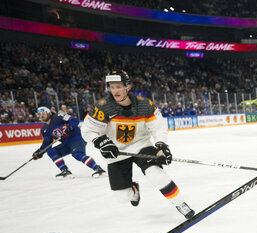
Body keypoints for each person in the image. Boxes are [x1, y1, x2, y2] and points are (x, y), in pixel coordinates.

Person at [80, 70, 195, 219]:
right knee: (122, 197)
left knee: (156, 175)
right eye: (112, 87)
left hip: (141, 145)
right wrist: (101, 141)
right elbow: (87, 130)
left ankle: (180, 204)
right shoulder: (102, 107)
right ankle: (134, 190)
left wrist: (161, 146)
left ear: (127, 87)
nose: (115, 91)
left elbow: (158, 127)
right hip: (116, 152)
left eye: (118, 86)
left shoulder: (144, 105)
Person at [32, 106, 105, 179]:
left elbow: (74, 120)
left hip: (76, 138)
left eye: (43, 113)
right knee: (51, 151)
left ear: (48, 113)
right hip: (66, 143)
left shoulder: (58, 116)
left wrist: (69, 127)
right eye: (39, 114)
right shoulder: (44, 129)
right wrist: (40, 151)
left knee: (77, 154)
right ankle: (65, 171)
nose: (42, 115)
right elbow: (47, 143)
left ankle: (98, 169)